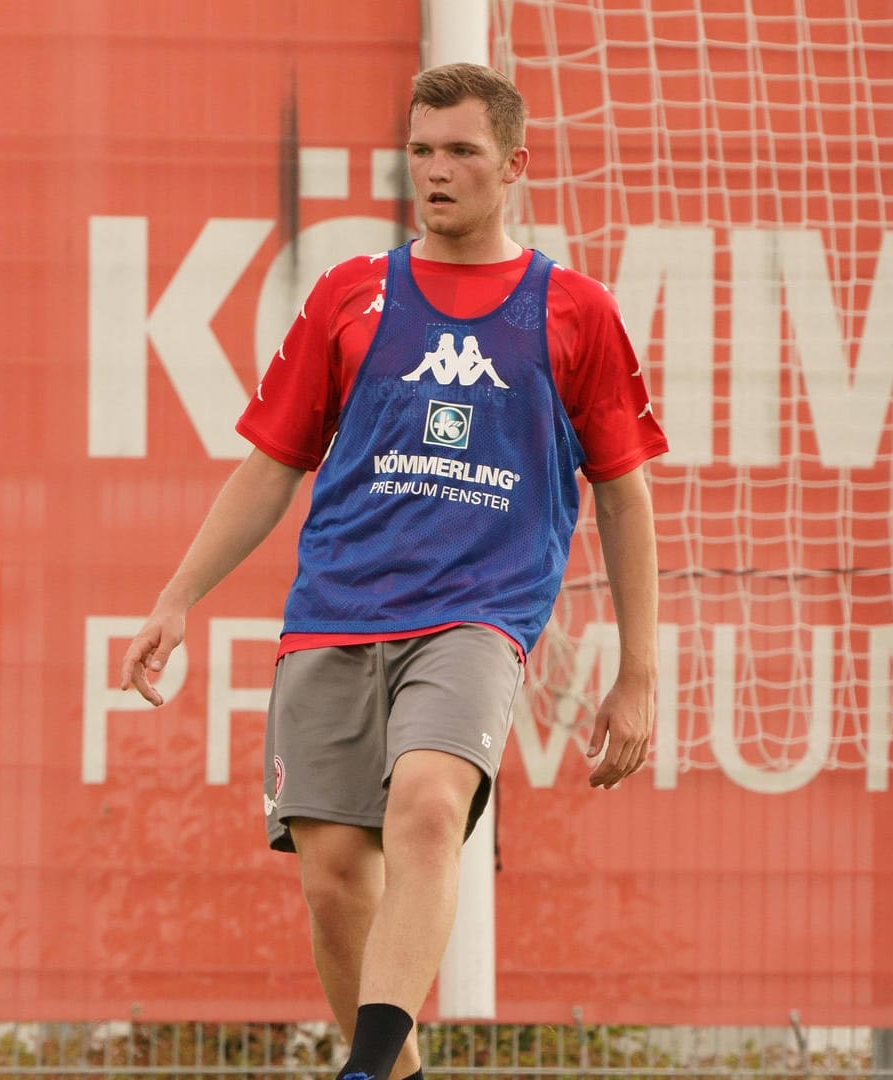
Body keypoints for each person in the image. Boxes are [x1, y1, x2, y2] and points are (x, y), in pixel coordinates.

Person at [120, 61, 668, 1080]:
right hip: (334, 612)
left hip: (477, 620)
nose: (436, 171)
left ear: (512, 166)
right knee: (334, 880)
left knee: (425, 804)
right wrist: (176, 598)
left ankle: (364, 1071)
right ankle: (401, 1070)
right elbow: (274, 463)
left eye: (461, 151)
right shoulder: (350, 293)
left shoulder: (575, 312)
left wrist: (639, 670)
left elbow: (625, 491)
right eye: (421, 151)